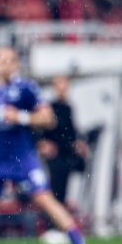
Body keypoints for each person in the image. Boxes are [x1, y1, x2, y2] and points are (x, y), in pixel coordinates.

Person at [0, 48, 98, 244]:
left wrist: (20, 116)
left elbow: (48, 118)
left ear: (16, 65)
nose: (6, 65)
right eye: (1, 60)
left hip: (21, 155)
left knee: (45, 200)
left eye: (10, 60)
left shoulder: (26, 88)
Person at [38, 75, 90, 209]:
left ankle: (59, 215)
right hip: (54, 156)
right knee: (54, 190)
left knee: (63, 190)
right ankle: (53, 218)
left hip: (66, 154)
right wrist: (42, 143)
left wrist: (78, 143)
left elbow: (71, 131)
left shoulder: (68, 108)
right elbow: (41, 131)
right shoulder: (49, 107)